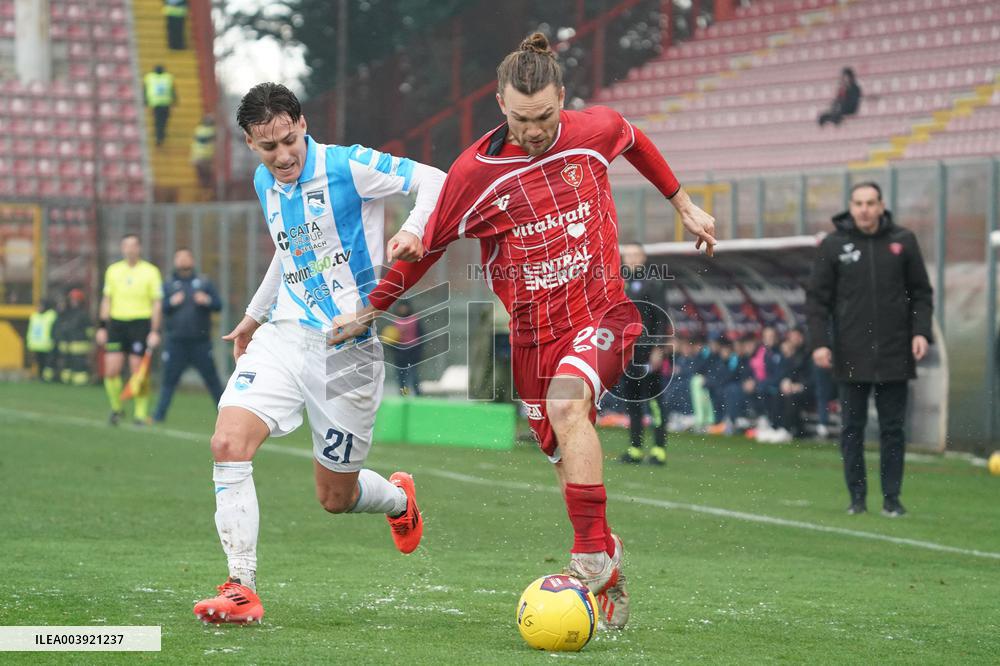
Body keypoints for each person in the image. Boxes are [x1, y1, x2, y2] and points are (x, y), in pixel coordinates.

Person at [329, 33, 716, 629]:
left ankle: (588, 558)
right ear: (501, 108)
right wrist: (373, 305)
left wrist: (683, 203)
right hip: (533, 336)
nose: (534, 130)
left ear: (563, 97)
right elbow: (427, 247)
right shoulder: (473, 173)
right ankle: (607, 557)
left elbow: (633, 139)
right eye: (521, 118)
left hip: (603, 314)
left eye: (544, 116)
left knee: (568, 406)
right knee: (564, 448)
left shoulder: (593, 131)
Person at [191, 82, 446, 624]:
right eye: (268, 148)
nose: (282, 157)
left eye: (288, 141)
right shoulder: (266, 181)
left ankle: (399, 499)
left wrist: (413, 228)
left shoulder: (349, 166)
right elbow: (290, 254)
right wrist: (254, 317)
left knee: (334, 496)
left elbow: (435, 180)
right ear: (249, 143)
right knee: (227, 441)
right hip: (284, 335)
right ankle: (241, 586)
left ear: (302, 124)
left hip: (348, 349)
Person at [806, 182, 933, 517]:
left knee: (893, 429)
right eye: (858, 203)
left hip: (894, 351)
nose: (864, 209)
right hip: (851, 351)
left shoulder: (902, 241)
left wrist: (922, 332)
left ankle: (892, 499)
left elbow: (921, 292)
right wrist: (819, 342)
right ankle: (857, 499)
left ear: (881, 206)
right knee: (852, 428)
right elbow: (817, 300)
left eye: (870, 203)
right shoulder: (835, 245)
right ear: (850, 206)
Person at [95, 234, 163, 425]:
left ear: (139, 248)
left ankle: (140, 414)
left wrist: (155, 330)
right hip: (117, 324)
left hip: (140, 324)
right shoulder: (113, 271)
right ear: (122, 248)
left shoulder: (150, 271)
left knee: (138, 370)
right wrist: (102, 326)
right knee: (111, 370)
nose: (130, 249)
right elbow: (107, 299)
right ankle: (117, 408)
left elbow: (156, 303)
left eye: (133, 245)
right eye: (126, 245)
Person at [152, 249, 225, 422]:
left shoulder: (203, 283)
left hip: (200, 342)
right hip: (176, 342)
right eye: (179, 257)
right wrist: (171, 302)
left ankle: (225, 414)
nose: (183, 260)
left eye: (186, 257)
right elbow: (160, 307)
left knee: (213, 381)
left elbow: (218, 305)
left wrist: (206, 300)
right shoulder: (168, 285)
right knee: (169, 382)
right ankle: (158, 416)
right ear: (175, 261)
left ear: (192, 260)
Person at [617, 242, 669, 465]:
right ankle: (635, 447)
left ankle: (659, 448)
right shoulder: (619, 282)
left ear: (643, 257)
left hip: (649, 350)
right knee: (633, 401)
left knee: (654, 400)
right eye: (627, 255)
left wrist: (658, 348)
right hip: (627, 351)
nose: (631, 259)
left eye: (635, 255)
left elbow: (661, 317)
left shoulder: (653, 283)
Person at [54, 288, 93, 386]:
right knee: (67, 363)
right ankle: (66, 379)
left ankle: (80, 381)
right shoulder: (66, 313)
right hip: (67, 344)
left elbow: (89, 330)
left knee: (79, 364)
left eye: (75, 300)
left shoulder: (83, 314)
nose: (73, 302)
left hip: (80, 344)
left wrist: (88, 340)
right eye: (72, 300)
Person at [390, 301, 424, 396]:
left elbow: (421, 336)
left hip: (412, 352)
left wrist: (418, 351)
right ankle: (404, 396)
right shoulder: (396, 321)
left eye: (404, 307)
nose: (403, 309)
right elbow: (392, 338)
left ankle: (418, 395)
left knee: (413, 376)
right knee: (402, 377)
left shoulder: (414, 320)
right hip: (400, 353)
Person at [144, 64, 176, 147]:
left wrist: (146, 101)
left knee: (159, 121)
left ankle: (159, 136)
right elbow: (173, 90)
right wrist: (174, 100)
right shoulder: (168, 77)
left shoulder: (149, 77)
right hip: (164, 103)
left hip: (156, 103)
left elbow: (145, 90)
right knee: (162, 121)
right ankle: (160, 136)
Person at [26, 298, 58, 381]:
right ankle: (41, 377)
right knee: (40, 363)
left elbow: (55, 330)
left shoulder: (51, 315)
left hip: (47, 345)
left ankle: (48, 378)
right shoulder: (34, 316)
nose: (39, 307)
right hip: (36, 345)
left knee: (48, 363)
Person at [191, 115, 216, 189]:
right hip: (206, 155)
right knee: (207, 172)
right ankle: (206, 184)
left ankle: (203, 184)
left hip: (196, 153)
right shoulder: (211, 130)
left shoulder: (198, 129)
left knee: (201, 171)